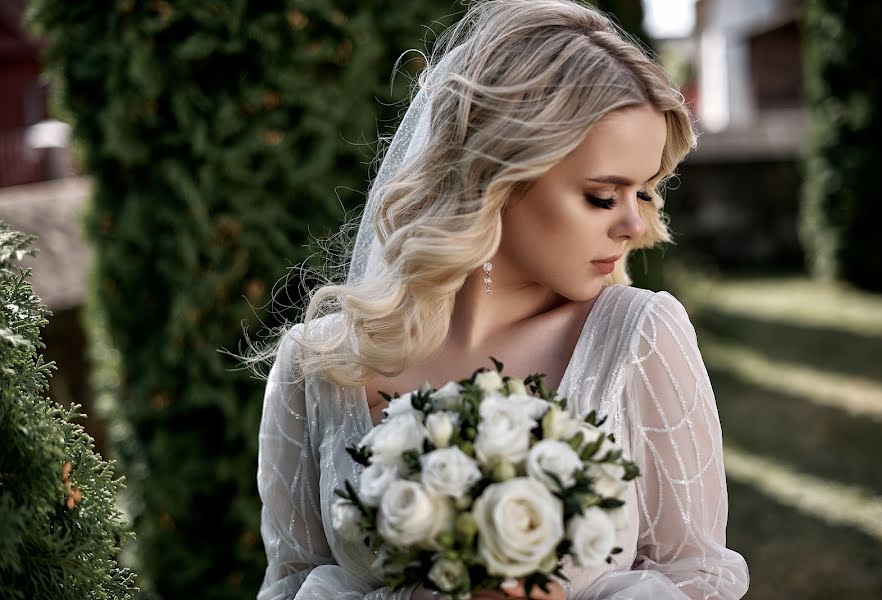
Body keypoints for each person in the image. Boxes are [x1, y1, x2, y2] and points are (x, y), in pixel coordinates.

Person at [253, 0, 751, 598]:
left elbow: (699, 578)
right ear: (499, 174)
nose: (635, 227)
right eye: (601, 196)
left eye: (643, 194)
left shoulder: (641, 338)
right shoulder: (320, 366)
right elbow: (291, 581)